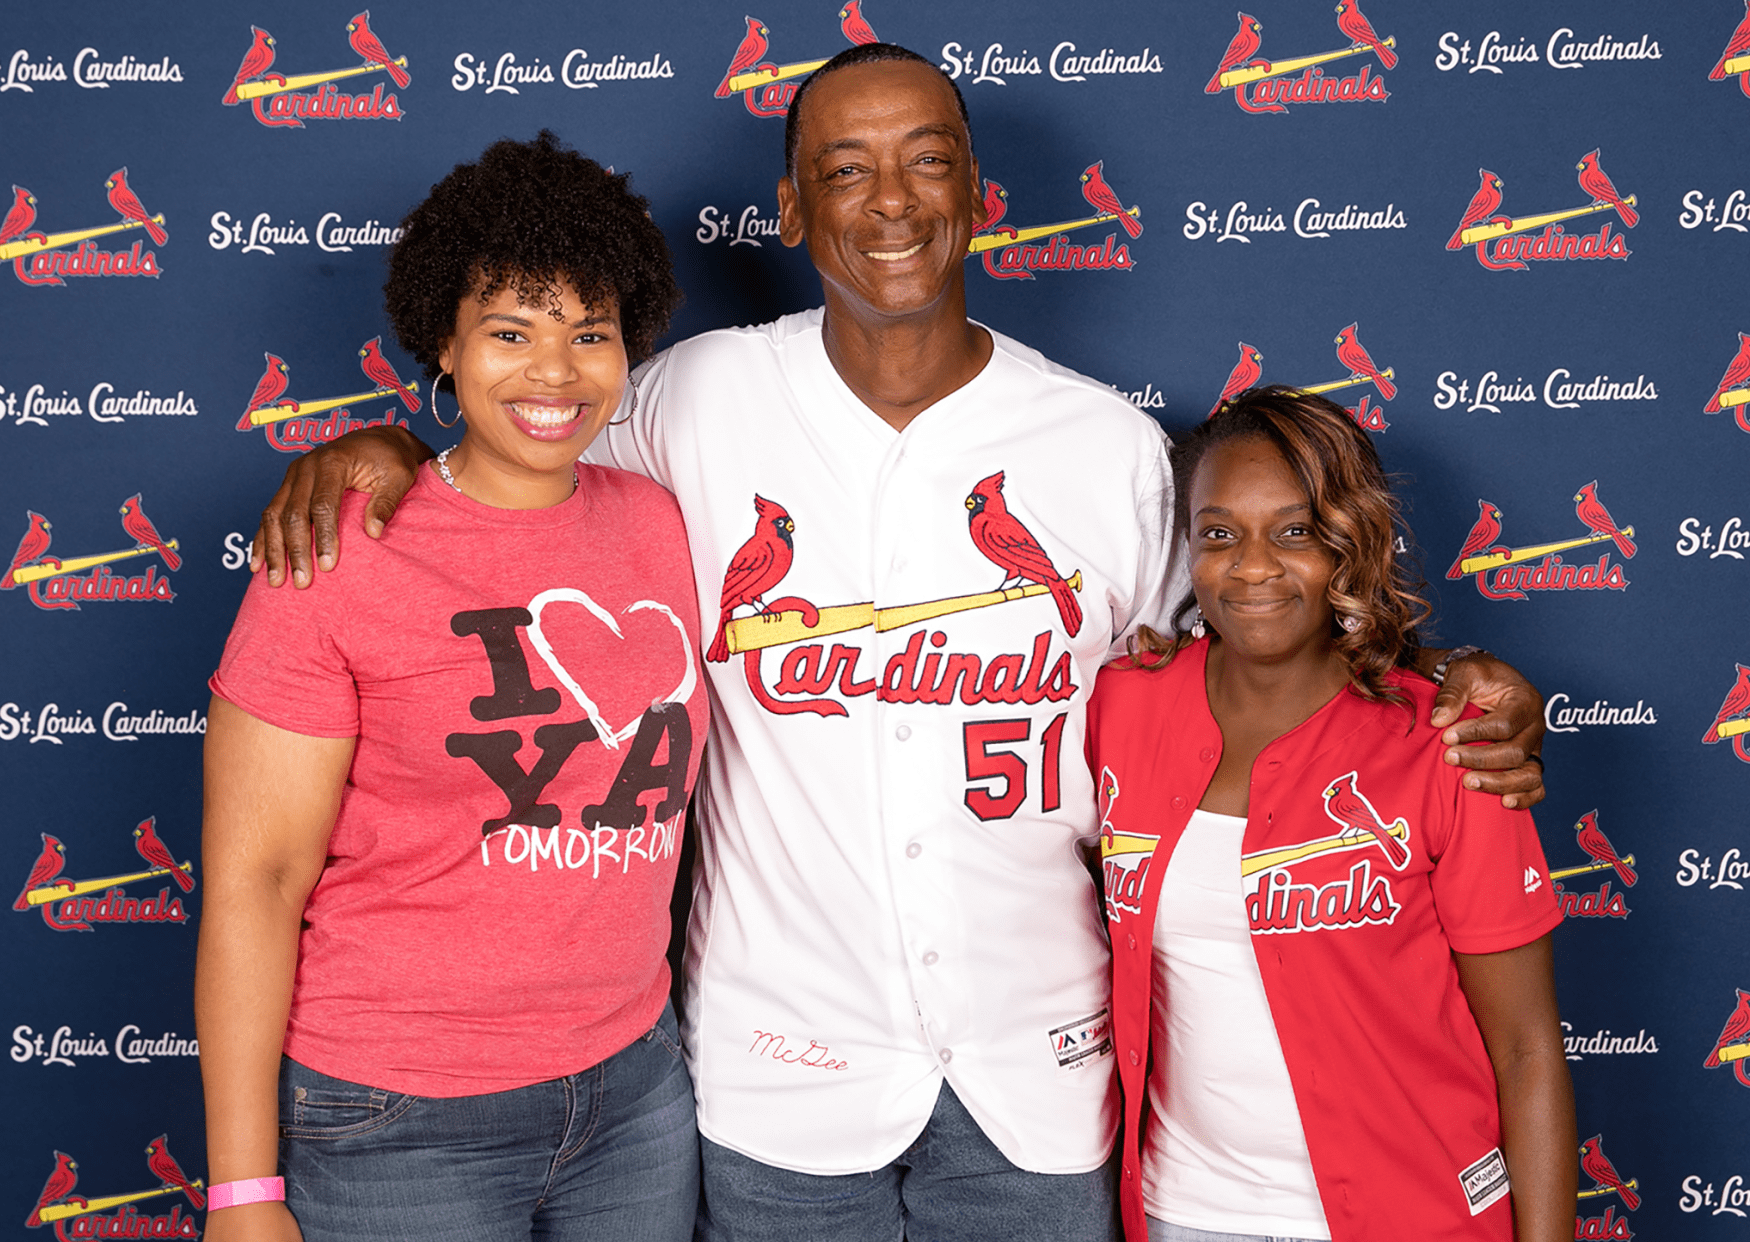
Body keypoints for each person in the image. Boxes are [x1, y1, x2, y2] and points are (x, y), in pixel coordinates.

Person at [246, 46, 1550, 1242]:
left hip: (1037, 1075)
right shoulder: (692, 400)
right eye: (844, 170)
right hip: (780, 1077)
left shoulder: (1105, 449)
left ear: (979, 195)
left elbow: (1265, 651)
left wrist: (1447, 688)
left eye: (927, 161)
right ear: (790, 209)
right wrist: (385, 449)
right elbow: (523, 434)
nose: (891, 202)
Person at [195, 134, 707, 1242]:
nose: (554, 372)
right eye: (511, 332)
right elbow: (256, 881)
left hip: (636, 1094)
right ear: (445, 340)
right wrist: (240, 1192)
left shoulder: (665, 523)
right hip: (400, 1117)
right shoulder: (339, 552)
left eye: (589, 334)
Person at [1087, 388, 1573, 1242]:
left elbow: (1527, 1051)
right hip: (1183, 1214)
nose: (1253, 567)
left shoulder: (1450, 745)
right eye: (1219, 534)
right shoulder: (1122, 707)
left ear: (1350, 543)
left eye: (1296, 532)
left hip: (1413, 1215)